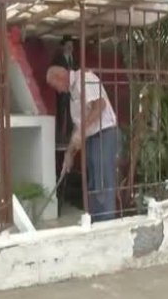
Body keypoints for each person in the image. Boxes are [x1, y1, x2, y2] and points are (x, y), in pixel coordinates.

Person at [46, 65, 120, 222]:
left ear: (61, 77)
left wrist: (81, 131)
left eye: (55, 86)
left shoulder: (83, 79)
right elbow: (79, 126)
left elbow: (100, 105)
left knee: (102, 182)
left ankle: (106, 224)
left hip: (104, 134)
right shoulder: (73, 91)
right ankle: (95, 222)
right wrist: (69, 153)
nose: (58, 91)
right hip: (92, 137)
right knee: (93, 181)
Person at [51, 36, 78, 144]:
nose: (70, 48)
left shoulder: (75, 59)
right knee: (61, 114)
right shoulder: (58, 59)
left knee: (71, 114)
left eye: (71, 46)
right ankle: (59, 138)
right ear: (64, 47)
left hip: (72, 90)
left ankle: (68, 137)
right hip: (62, 90)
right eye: (68, 45)